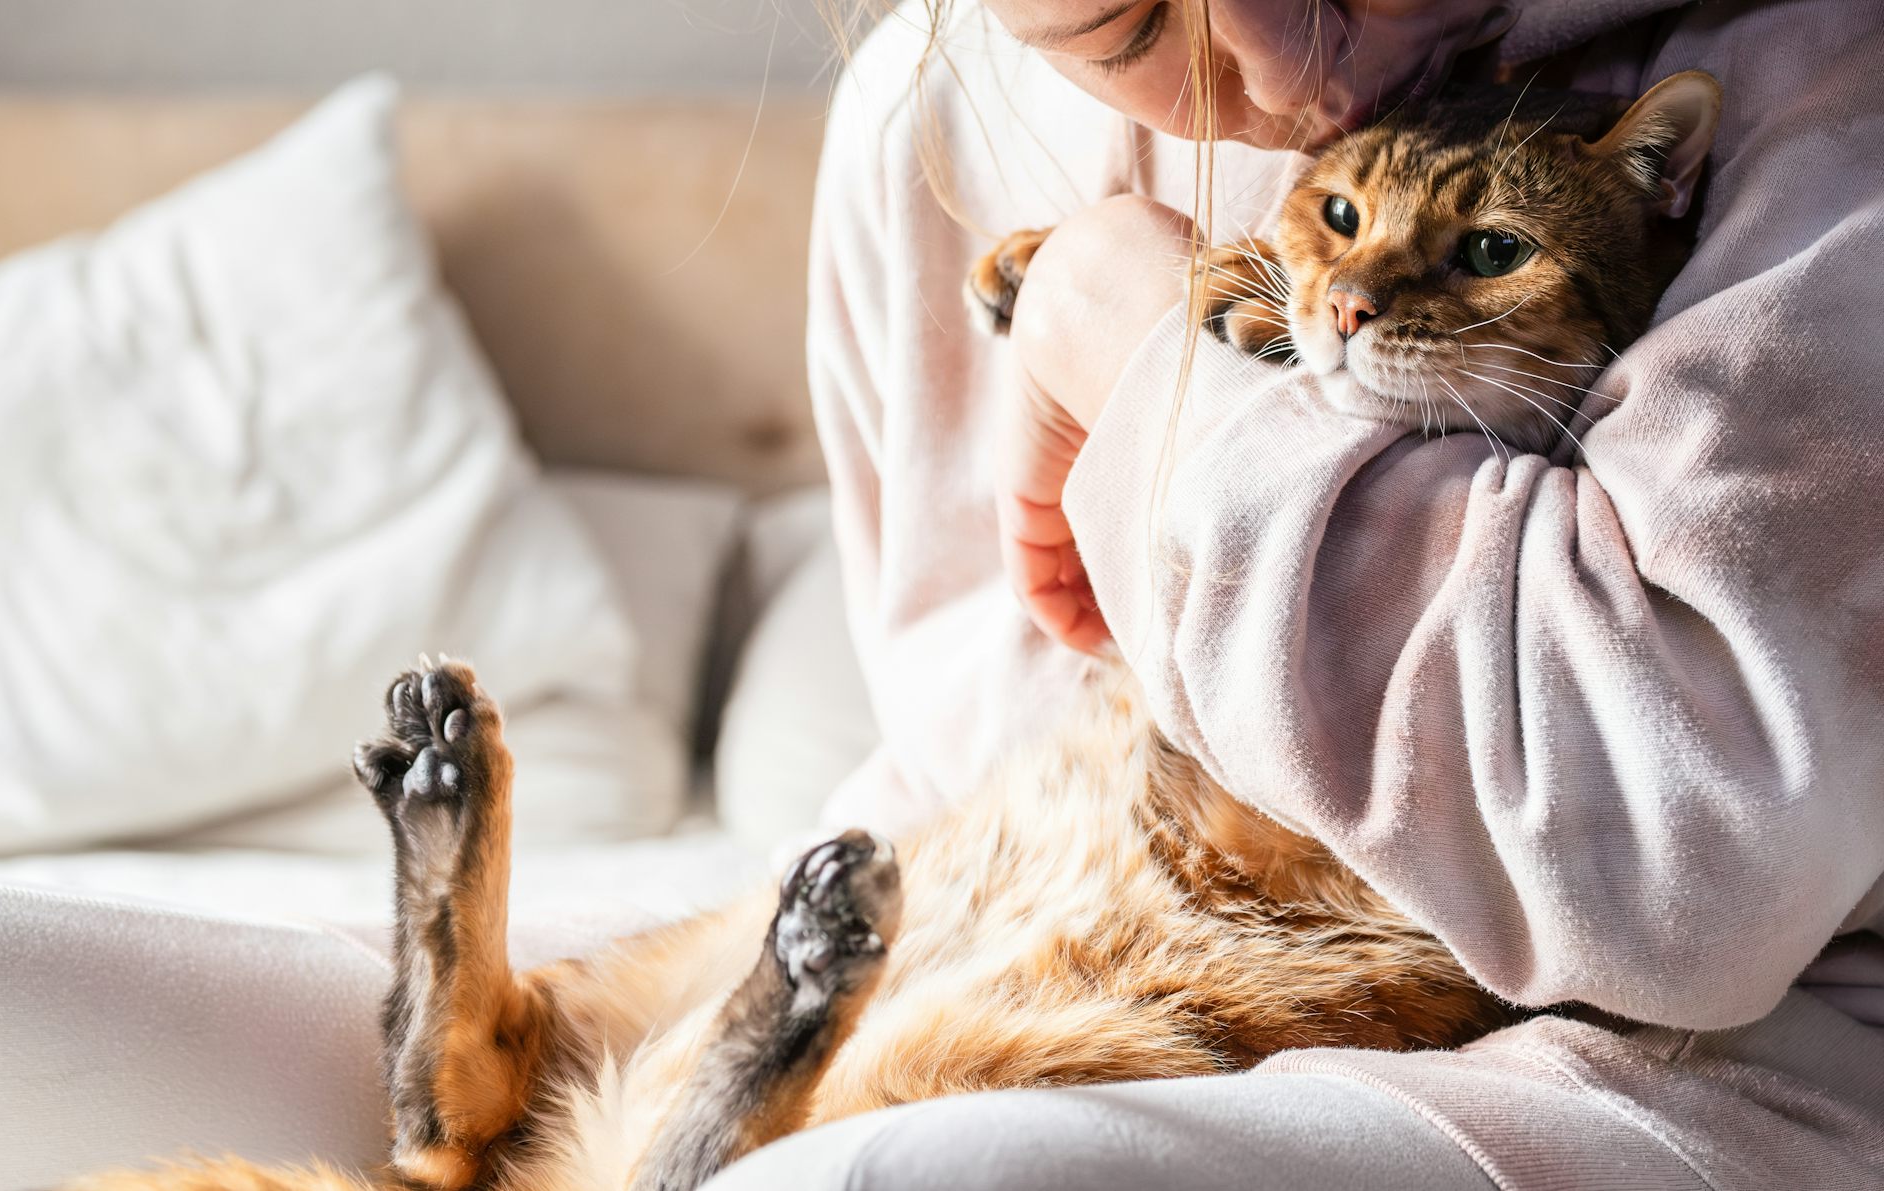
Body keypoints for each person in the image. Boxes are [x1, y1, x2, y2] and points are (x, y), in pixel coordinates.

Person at [707, 0, 1884, 1186]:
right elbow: (955, 748)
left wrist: (1136, 336)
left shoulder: (1828, 81)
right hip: (1050, 921)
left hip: (1664, 1055)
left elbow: (1678, 861)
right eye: (1126, 31)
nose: (1285, 68)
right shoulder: (914, 118)